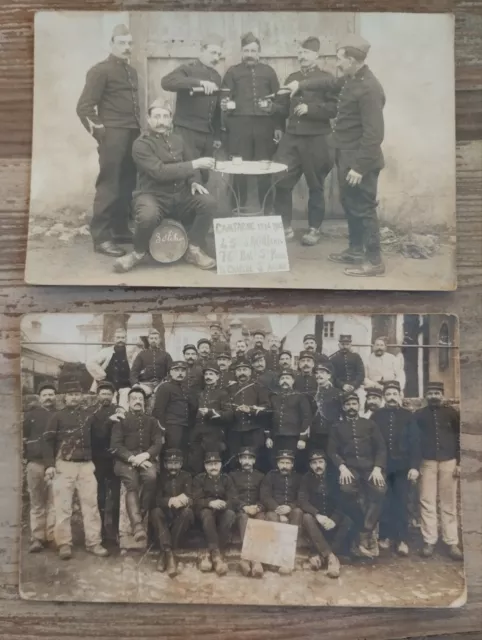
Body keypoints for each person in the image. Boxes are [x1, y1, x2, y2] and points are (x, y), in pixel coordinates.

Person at [283, 34, 386, 276]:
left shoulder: (369, 88)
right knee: (350, 204)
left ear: (351, 60)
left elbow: (374, 135)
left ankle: (374, 261)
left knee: (365, 208)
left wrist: (360, 167)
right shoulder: (350, 79)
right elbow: (327, 84)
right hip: (346, 156)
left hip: (361, 161)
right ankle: (355, 250)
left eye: (339, 59)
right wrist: (301, 85)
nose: (337, 64)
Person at [113, 99, 217, 273]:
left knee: (209, 203)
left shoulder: (178, 140)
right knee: (147, 215)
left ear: (170, 119)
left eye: (165, 117)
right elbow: (159, 172)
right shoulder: (141, 144)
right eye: (157, 117)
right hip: (152, 195)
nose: (161, 121)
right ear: (148, 119)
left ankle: (193, 249)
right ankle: (137, 253)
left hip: (181, 194)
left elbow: (190, 166)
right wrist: (195, 165)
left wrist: (194, 182)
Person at [76, 24, 140, 257]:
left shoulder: (131, 72)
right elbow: (83, 107)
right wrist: (101, 133)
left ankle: (120, 230)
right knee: (109, 185)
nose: (127, 47)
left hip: (132, 134)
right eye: (122, 43)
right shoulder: (100, 70)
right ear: (112, 44)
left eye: (129, 43)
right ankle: (101, 238)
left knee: (126, 185)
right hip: (113, 136)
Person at [269, 36, 337, 243]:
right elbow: (282, 106)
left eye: (306, 53)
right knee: (281, 180)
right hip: (292, 139)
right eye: (299, 52)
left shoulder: (327, 78)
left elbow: (334, 108)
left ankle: (314, 229)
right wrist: (277, 122)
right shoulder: (292, 77)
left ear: (316, 55)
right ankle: (285, 227)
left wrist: (311, 109)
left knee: (315, 185)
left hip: (317, 139)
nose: (302, 56)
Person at [44, 379, 109, 560]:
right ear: (65, 397)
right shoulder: (57, 416)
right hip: (64, 465)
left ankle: (94, 542)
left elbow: (100, 436)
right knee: (63, 506)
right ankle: (64, 543)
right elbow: (47, 442)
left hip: (86, 466)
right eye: (71, 395)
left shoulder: (89, 416)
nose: (74, 397)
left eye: (77, 394)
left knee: (91, 505)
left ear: (82, 396)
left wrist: (111, 421)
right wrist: (50, 464)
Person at [222, 32, 282, 212]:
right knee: (239, 171)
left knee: (265, 169)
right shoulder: (233, 72)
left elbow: (279, 100)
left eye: (253, 50)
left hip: (265, 127)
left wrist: (278, 126)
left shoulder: (269, 72)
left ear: (259, 52)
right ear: (241, 52)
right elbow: (224, 98)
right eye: (246, 50)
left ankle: (267, 211)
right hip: (239, 127)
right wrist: (226, 106)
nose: (249, 54)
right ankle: (238, 210)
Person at [327, 392, 386, 558]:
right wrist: (342, 467)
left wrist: (377, 468)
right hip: (350, 468)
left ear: (359, 405)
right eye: (348, 404)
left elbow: (381, 448)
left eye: (354, 404)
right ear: (344, 407)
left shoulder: (369, 424)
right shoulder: (337, 427)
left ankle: (366, 529)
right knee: (346, 490)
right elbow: (332, 451)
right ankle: (362, 529)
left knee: (380, 490)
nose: (351, 407)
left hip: (369, 468)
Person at [161, 34, 224, 184]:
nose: (216, 57)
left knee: (203, 175)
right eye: (212, 53)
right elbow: (166, 82)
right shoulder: (187, 69)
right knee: (188, 175)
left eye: (219, 54)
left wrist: (216, 136)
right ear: (201, 51)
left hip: (207, 135)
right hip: (186, 132)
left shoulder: (216, 76)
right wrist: (199, 83)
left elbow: (215, 109)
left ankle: (199, 206)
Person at [414, 381, 463, 561]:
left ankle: (451, 542)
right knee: (427, 501)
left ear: (442, 395)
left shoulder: (452, 413)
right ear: (426, 396)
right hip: (427, 462)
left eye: (437, 393)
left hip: (449, 461)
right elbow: (415, 440)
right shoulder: (419, 415)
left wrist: (459, 462)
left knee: (448, 503)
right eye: (431, 393)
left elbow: (460, 437)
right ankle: (429, 540)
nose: (434, 396)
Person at [371, 381, 420, 556]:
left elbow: (415, 443)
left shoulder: (408, 416)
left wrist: (414, 467)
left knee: (401, 501)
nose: (391, 397)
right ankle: (385, 536)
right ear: (384, 397)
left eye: (394, 394)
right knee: (385, 501)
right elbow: (372, 443)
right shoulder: (377, 416)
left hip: (402, 467)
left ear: (400, 395)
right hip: (383, 466)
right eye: (388, 394)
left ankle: (402, 540)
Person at [110, 387, 163, 543]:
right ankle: (137, 526)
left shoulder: (152, 421)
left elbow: (157, 442)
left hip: (146, 460)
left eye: (140, 399)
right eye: (134, 399)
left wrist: (146, 455)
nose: (137, 401)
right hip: (125, 462)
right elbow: (116, 445)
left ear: (144, 402)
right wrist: (133, 458)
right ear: (128, 402)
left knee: (152, 477)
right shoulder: (121, 420)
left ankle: (141, 511)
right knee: (132, 484)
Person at [298, 451, 353, 578]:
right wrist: (317, 514)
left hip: (333, 522)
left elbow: (342, 501)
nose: (318, 466)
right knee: (306, 517)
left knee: (348, 519)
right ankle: (331, 558)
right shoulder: (306, 478)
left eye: (320, 462)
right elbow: (302, 500)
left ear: (326, 464)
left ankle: (321, 556)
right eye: (314, 463)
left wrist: (334, 519)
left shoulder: (334, 477)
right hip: (317, 524)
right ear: (310, 465)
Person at [23, 382, 57, 553]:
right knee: (37, 502)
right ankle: (37, 538)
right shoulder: (31, 415)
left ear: (56, 396)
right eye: (45, 395)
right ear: (39, 398)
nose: (48, 397)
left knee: (53, 502)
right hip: (35, 463)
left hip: (55, 465)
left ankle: (51, 536)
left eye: (51, 394)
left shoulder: (59, 415)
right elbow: (24, 436)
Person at [87, 381, 122, 543]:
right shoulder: (92, 414)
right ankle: (99, 530)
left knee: (115, 496)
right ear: (98, 395)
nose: (106, 396)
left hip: (114, 459)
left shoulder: (119, 411)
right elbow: (96, 436)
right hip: (98, 459)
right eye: (103, 393)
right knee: (98, 496)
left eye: (109, 393)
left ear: (113, 395)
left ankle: (113, 530)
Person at [151, 449, 194, 577]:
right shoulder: (160, 477)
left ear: (181, 464)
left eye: (176, 463)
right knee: (155, 512)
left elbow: (192, 497)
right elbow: (155, 499)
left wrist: (184, 500)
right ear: (165, 464)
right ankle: (169, 554)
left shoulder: (187, 476)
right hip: (166, 516)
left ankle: (165, 552)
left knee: (188, 512)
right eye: (170, 463)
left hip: (179, 519)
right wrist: (169, 500)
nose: (173, 466)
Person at [193, 451, 237, 575]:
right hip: (205, 512)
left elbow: (233, 498)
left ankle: (212, 552)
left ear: (221, 465)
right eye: (210, 464)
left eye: (216, 464)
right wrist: (210, 503)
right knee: (206, 514)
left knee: (230, 514)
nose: (213, 467)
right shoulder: (199, 479)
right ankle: (217, 557)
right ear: (205, 466)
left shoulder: (226, 479)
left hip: (221, 512)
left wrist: (224, 504)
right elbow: (195, 500)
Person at [260, 450, 303, 574]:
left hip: (291, 509)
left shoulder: (298, 477)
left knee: (298, 512)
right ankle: (274, 558)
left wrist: (290, 507)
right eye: (281, 462)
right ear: (277, 464)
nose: (284, 466)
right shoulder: (270, 476)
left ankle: (288, 557)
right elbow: (265, 496)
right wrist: (278, 510)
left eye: (287, 463)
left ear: (292, 464)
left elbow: (301, 497)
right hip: (274, 510)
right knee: (272, 517)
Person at [188, 365, 233, 474]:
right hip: (198, 435)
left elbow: (229, 414)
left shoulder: (223, 393)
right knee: (196, 465)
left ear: (217, 377)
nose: (208, 377)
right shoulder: (200, 393)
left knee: (213, 465)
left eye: (211, 374)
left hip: (214, 435)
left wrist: (212, 413)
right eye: (206, 374)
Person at [229, 446, 265, 578]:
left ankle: (247, 559)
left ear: (254, 461)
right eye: (244, 458)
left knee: (261, 518)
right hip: (241, 510)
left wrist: (258, 507)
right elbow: (232, 496)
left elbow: (264, 496)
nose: (247, 461)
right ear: (239, 460)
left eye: (250, 458)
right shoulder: (232, 475)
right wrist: (244, 507)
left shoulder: (261, 476)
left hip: (256, 509)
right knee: (244, 518)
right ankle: (255, 560)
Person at [227, 359, 270, 461]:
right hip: (235, 430)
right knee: (235, 458)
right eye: (239, 370)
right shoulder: (230, 389)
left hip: (254, 430)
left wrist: (250, 410)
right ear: (235, 373)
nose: (242, 373)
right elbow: (225, 406)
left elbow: (267, 407)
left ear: (250, 372)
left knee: (255, 458)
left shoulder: (258, 387)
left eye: (245, 370)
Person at [265, 369, 311, 462]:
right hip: (276, 437)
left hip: (293, 437)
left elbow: (306, 417)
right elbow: (268, 417)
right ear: (279, 381)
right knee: (275, 461)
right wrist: (268, 437)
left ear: (293, 381)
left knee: (293, 462)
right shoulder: (273, 397)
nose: (285, 381)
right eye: (282, 378)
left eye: (287, 378)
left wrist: (302, 438)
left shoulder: (300, 396)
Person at [86, 326, 135, 410]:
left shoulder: (132, 353)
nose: (120, 340)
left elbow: (137, 368)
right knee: (110, 402)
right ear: (114, 339)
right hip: (108, 384)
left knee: (125, 398)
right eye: (118, 337)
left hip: (125, 385)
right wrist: (101, 375)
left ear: (126, 339)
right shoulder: (106, 351)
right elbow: (90, 362)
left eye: (122, 337)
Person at [152, 361, 196, 450]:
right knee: (172, 455)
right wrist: (163, 431)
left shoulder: (187, 389)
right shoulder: (165, 387)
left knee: (184, 455)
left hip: (185, 427)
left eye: (183, 370)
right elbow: (158, 411)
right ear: (170, 372)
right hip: (171, 428)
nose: (180, 373)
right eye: (176, 370)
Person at [129, 328, 172, 397]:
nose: (153, 340)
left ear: (159, 340)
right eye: (151, 338)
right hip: (145, 384)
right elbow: (134, 372)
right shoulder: (141, 354)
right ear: (148, 340)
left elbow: (171, 371)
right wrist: (135, 384)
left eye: (156, 338)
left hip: (161, 384)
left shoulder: (166, 355)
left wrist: (165, 381)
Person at [311, 362, 343, 452]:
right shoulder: (313, 393)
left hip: (331, 432)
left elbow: (342, 414)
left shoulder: (337, 393)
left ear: (329, 376)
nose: (318, 375)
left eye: (322, 372)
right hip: (315, 433)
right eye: (316, 373)